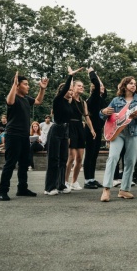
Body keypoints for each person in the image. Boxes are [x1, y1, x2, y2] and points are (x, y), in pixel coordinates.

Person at [0, 72, 48, 201]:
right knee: (10, 163)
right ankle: (2, 191)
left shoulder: (26, 99)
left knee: (24, 163)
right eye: (25, 84)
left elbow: (38, 101)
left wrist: (42, 89)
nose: (28, 86)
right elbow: (9, 101)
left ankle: (22, 189)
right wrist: (14, 85)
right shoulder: (13, 98)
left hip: (25, 136)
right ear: (18, 86)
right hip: (13, 135)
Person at [99, 76, 137, 202]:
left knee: (130, 161)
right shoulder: (116, 100)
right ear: (124, 85)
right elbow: (104, 115)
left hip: (133, 133)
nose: (133, 85)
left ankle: (124, 189)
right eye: (131, 83)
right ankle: (106, 189)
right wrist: (103, 111)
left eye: (135, 84)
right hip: (117, 133)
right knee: (113, 157)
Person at [45, 68, 78, 196]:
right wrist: (70, 76)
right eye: (69, 90)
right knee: (53, 159)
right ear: (62, 91)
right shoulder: (57, 100)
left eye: (71, 90)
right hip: (56, 130)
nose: (71, 92)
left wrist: (68, 135)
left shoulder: (68, 103)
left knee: (63, 159)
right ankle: (49, 187)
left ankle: (61, 185)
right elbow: (65, 89)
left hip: (65, 131)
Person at [65, 79, 96, 191]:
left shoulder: (83, 103)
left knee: (79, 158)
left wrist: (92, 129)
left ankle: (74, 181)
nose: (82, 87)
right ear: (73, 87)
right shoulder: (69, 99)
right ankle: (65, 181)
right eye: (79, 86)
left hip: (79, 128)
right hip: (70, 127)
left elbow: (87, 117)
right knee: (71, 157)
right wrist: (71, 78)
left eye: (82, 86)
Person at [83, 68, 107, 189]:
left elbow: (102, 88)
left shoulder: (100, 98)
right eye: (100, 86)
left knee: (94, 155)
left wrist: (97, 76)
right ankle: (87, 180)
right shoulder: (94, 98)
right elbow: (97, 85)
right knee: (89, 154)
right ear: (95, 89)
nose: (103, 87)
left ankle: (92, 178)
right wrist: (92, 73)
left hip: (97, 129)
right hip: (90, 129)